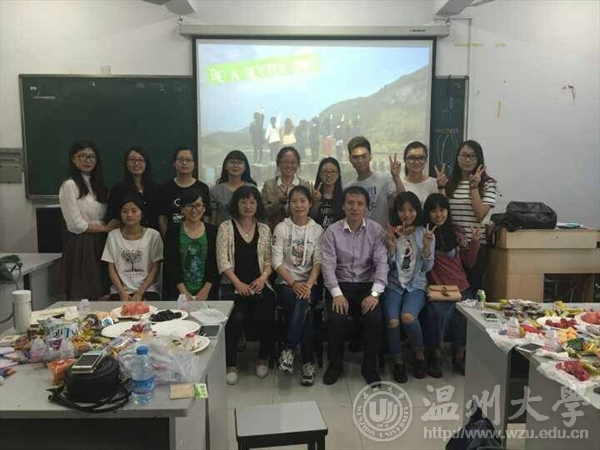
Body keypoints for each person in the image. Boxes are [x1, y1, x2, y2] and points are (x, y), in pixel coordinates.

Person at [321, 186, 388, 386]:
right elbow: (327, 266)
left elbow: (382, 264)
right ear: (343, 206)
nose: (355, 208)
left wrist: (374, 294)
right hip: (340, 285)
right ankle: (335, 366)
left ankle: (369, 368)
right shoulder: (332, 231)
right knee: (336, 319)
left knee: (374, 319)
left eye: (360, 204)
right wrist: (336, 294)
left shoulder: (376, 230)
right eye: (350, 203)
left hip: (367, 286)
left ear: (367, 207)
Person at [216, 186, 276, 385]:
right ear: (236, 204)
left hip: (259, 283)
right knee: (235, 317)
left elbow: (269, 261)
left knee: (266, 312)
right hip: (233, 284)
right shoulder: (225, 227)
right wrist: (238, 284)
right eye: (243, 202)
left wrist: (263, 278)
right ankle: (231, 364)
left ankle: (262, 358)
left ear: (257, 205)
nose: (248, 206)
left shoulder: (264, 229)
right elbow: (222, 261)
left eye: (252, 202)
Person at [423, 193, 480, 377]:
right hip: (439, 288)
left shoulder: (456, 232)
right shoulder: (424, 233)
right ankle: (435, 356)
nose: (439, 215)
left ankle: (459, 357)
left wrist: (475, 242)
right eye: (434, 211)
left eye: (442, 210)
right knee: (437, 315)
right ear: (428, 213)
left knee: (465, 316)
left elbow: (469, 262)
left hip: (461, 286)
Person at [272, 185, 323, 386]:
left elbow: (318, 262)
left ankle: (288, 349)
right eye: (294, 201)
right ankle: (308, 363)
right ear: (288, 204)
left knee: (303, 300)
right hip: (285, 284)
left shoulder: (317, 230)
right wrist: (293, 283)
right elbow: (276, 262)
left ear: (310, 204)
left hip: (310, 284)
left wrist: (308, 285)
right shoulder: (281, 228)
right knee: (304, 305)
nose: (298, 205)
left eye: (303, 201)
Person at [384, 191, 435, 383]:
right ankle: (398, 362)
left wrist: (427, 246)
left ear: (417, 211)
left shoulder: (425, 233)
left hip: (416, 285)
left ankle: (419, 356)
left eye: (411, 210)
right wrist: (391, 247)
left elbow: (428, 268)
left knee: (407, 317)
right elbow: (387, 266)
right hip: (394, 284)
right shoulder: (392, 232)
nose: (407, 214)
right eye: (402, 210)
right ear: (396, 212)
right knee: (392, 321)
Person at [59, 140, 117, 300]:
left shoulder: (98, 185)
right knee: (83, 294)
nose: (87, 160)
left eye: (91, 157)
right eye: (82, 156)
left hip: (102, 242)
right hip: (82, 244)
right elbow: (75, 224)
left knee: (103, 293)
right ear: (73, 158)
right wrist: (106, 228)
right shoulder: (69, 185)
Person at [446, 140, 497, 290]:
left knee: (473, 290)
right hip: (453, 246)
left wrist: (474, 187)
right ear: (457, 158)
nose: (467, 160)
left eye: (472, 156)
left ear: (479, 159)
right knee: (454, 291)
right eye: (464, 155)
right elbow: (443, 215)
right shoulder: (450, 183)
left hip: (475, 244)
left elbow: (480, 214)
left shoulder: (488, 183)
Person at [102, 195, 163, 301]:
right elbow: (111, 268)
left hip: (147, 289)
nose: (129, 215)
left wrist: (139, 293)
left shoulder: (153, 235)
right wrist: (122, 293)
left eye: (134, 211)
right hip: (119, 290)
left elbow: (155, 268)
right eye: (125, 211)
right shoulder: (113, 236)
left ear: (142, 213)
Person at [163, 189, 218, 301]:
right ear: (182, 209)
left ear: (204, 208)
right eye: (189, 206)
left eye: (198, 205)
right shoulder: (173, 231)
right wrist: (183, 291)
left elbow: (216, 263)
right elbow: (170, 263)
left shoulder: (213, 231)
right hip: (178, 292)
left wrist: (206, 289)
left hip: (207, 292)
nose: (194, 210)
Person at [344, 135, 405, 227]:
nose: (360, 161)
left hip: (382, 234)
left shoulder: (384, 178)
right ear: (350, 159)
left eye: (364, 156)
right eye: (356, 157)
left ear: (370, 156)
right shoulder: (348, 188)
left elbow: (402, 200)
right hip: (357, 235)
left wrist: (396, 176)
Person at [158, 146, 211, 237]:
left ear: (194, 164)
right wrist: (167, 238)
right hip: (173, 237)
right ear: (174, 163)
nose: (184, 163)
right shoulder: (165, 188)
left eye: (188, 160)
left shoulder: (202, 188)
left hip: (198, 237)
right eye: (181, 159)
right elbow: (162, 218)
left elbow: (206, 216)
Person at [108, 146, 160, 231]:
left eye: (140, 160)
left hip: (153, 235)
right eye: (132, 160)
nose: (136, 163)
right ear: (126, 163)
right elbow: (115, 218)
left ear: (146, 163)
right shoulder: (118, 189)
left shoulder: (155, 188)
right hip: (128, 235)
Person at [262, 146, 312, 230]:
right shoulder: (269, 185)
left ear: (298, 164)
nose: (289, 165)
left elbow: (310, 212)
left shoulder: (304, 185)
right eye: (285, 162)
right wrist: (278, 203)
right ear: (278, 163)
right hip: (273, 231)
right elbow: (262, 212)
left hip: (300, 232)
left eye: (293, 162)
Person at [210, 150, 256, 227]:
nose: (235, 166)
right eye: (232, 162)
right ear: (225, 166)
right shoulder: (215, 190)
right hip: (222, 232)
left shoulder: (252, 188)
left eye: (239, 163)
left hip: (247, 231)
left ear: (245, 167)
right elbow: (213, 220)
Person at [401, 141, 447, 206]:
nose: (416, 162)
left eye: (421, 158)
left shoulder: (434, 183)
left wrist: (441, 187)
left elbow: (443, 207)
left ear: (426, 160)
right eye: (412, 158)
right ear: (405, 160)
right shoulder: (399, 183)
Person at [310, 157, 344, 230]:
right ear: (320, 174)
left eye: (333, 172)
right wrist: (315, 202)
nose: (328, 175)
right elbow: (310, 219)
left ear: (338, 175)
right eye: (325, 172)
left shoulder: (344, 197)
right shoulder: (312, 195)